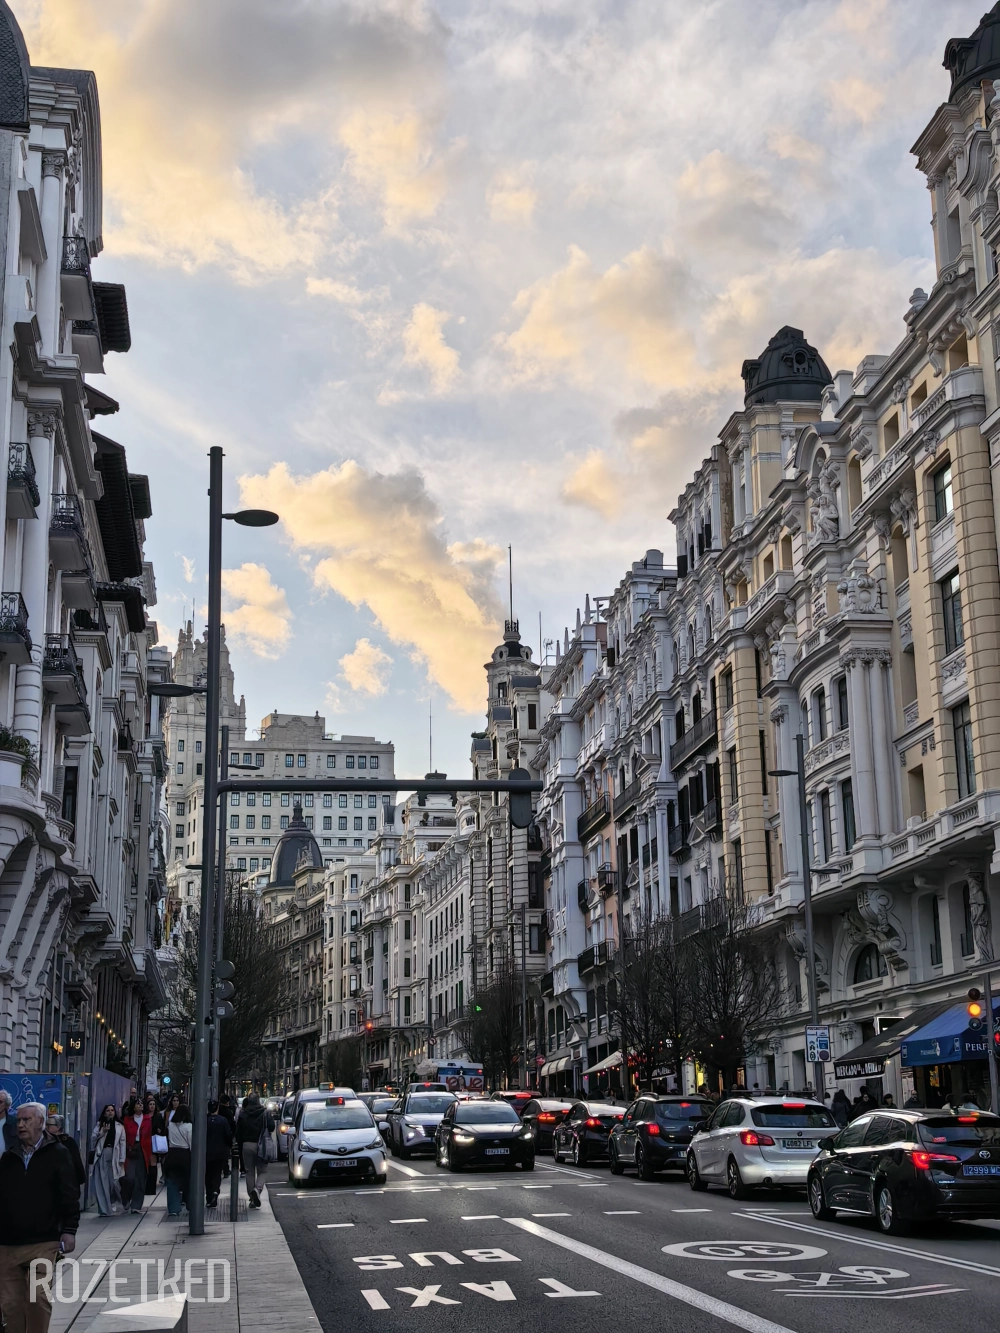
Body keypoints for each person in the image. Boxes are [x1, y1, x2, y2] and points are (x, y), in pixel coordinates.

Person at [0, 1101, 79, 1333]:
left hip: (44, 1241)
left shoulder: (58, 1153)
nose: (21, 1125)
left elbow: (69, 1193)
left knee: (37, 1298)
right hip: (8, 1244)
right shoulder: (9, 1157)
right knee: (11, 1305)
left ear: (41, 1122)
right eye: (19, 1120)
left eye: (27, 1120)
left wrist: (69, 1230)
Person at [236, 1093, 274, 1209]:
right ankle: (257, 1190)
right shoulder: (265, 1112)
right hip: (262, 1144)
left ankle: (252, 1198)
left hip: (247, 1145)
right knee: (263, 1171)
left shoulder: (243, 1113)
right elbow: (272, 1127)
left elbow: (238, 1132)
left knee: (249, 1171)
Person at [89, 1105, 126, 1217]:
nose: (110, 1112)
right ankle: (104, 1209)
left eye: (112, 1110)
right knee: (101, 1182)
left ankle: (114, 1201)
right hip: (102, 1154)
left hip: (115, 1155)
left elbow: (122, 1143)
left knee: (113, 1182)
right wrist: (103, 1132)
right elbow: (93, 1140)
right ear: (104, 1113)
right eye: (108, 1111)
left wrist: (122, 1158)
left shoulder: (120, 1126)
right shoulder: (100, 1125)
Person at [121, 1096, 152, 1214]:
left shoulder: (147, 1119)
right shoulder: (127, 1119)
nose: (140, 1105)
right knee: (129, 1177)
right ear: (133, 1107)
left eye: (141, 1104)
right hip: (130, 1149)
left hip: (143, 1149)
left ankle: (136, 1205)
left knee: (140, 1178)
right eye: (138, 1104)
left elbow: (149, 1136)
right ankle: (125, 1198)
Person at [164, 1105, 193, 1217]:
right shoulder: (189, 1126)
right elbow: (191, 1143)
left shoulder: (170, 1125)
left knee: (172, 1182)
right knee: (188, 1182)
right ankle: (191, 1205)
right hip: (185, 1155)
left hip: (172, 1154)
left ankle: (173, 1208)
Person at [44, 1115, 86, 1190]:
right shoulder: (44, 1142)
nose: (46, 1127)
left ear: (58, 1127)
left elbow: (76, 1161)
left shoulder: (68, 1142)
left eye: (49, 1125)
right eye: (45, 1125)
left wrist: (79, 1179)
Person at [205, 1101, 234, 1207]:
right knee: (217, 1173)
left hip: (207, 1151)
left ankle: (209, 1196)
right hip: (220, 1152)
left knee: (208, 1174)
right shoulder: (223, 1120)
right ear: (217, 1108)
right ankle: (215, 1191)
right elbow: (228, 1135)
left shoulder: (205, 1120)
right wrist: (229, 1145)